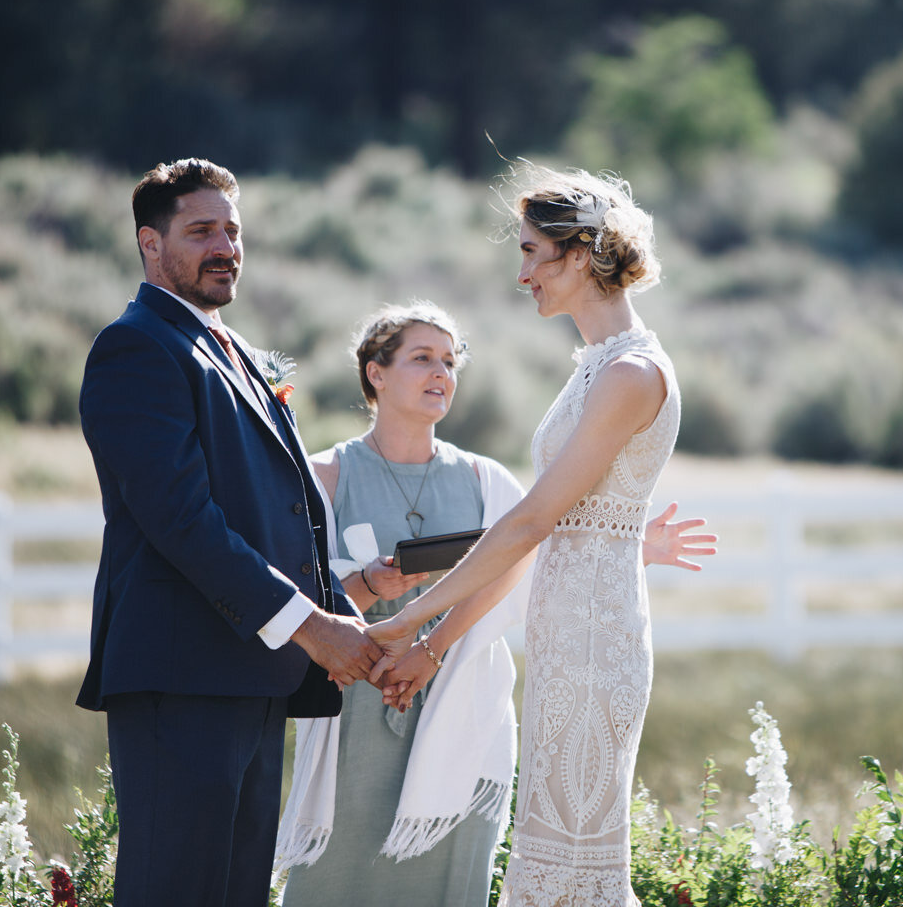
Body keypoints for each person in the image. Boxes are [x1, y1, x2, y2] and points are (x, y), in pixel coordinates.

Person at [277, 301, 715, 907]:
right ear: (375, 372)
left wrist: (632, 549)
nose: (442, 374)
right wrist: (372, 587)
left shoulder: (487, 481)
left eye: (450, 362)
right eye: (422, 358)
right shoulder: (322, 476)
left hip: (465, 709)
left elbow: (533, 563)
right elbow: (297, 599)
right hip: (355, 706)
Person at [369, 166, 681, 905]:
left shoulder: (631, 372)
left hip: (595, 644)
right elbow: (548, 529)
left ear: (580, 256)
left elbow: (534, 520)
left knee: (579, 869)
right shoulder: (595, 367)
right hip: (564, 635)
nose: (521, 274)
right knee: (555, 860)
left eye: (532, 252)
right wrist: (430, 641)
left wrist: (415, 616)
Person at [75, 158, 381, 907]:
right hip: (182, 673)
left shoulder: (231, 346)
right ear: (151, 244)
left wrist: (343, 615)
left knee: (235, 892)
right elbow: (183, 522)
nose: (225, 246)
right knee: (173, 890)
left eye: (233, 231)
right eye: (201, 230)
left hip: (252, 671)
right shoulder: (137, 347)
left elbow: (274, 511)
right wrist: (311, 627)